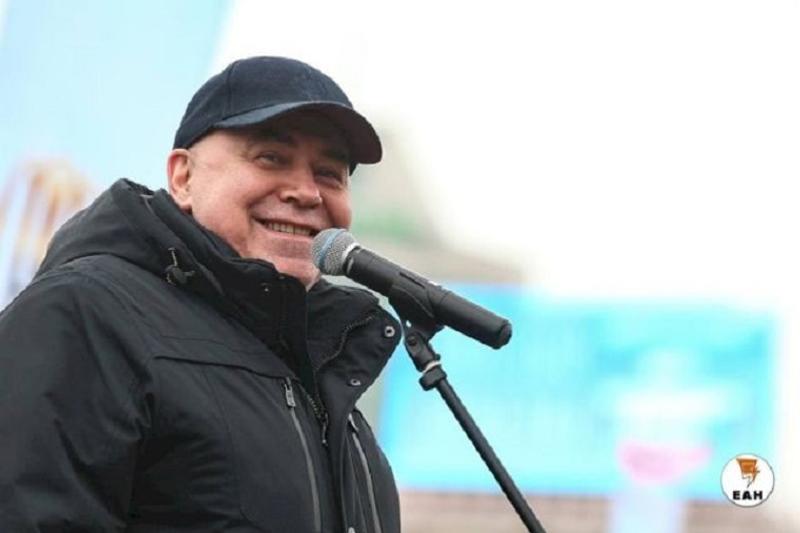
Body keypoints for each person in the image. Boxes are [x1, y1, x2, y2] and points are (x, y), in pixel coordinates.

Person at [0, 56, 402, 533]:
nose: (306, 192)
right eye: (271, 158)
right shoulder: (84, 314)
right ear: (183, 177)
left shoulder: (326, 375)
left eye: (329, 173)